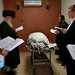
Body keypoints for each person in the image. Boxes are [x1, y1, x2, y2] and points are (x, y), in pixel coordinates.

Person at [0, 10, 20, 74]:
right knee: (10, 59)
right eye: (12, 19)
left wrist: (16, 37)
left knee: (12, 59)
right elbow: (5, 37)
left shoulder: (6, 24)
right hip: (8, 47)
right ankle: (9, 70)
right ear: (8, 17)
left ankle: (10, 69)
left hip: (12, 45)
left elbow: (10, 34)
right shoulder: (3, 26)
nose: (12, 20)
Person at [59, 4, 75, 75]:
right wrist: (66, 31)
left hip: (72, 50)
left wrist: (66, 32)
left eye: (69, 11)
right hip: (69, 50)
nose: (68, 13)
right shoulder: (72, 22)